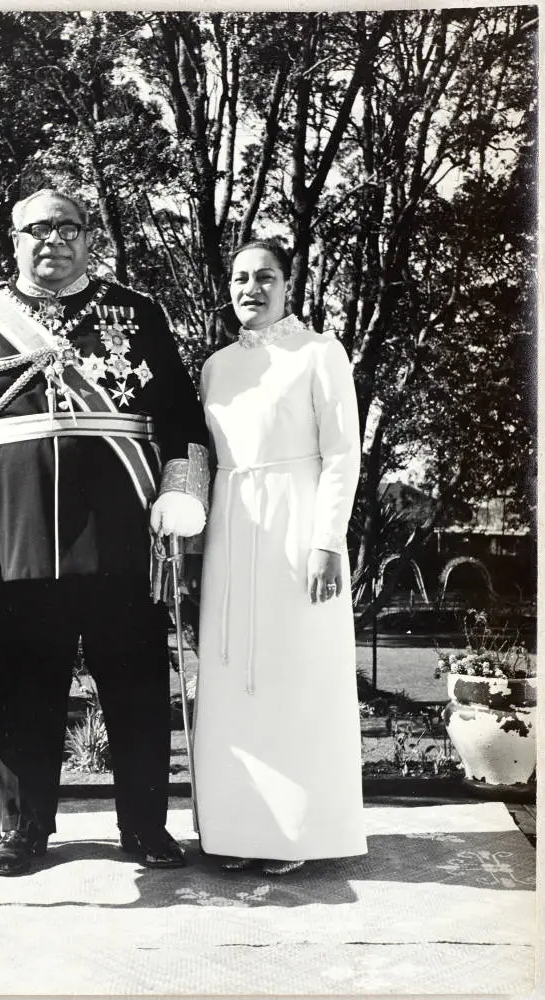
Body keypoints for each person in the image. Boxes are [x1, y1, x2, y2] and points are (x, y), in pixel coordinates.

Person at [0, 188, 209, 876]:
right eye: (37, 229)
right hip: (13, 543)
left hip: (120, 538)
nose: (53, 240)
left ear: (88, 238)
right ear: (13, 240)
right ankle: (25, 830)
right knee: (25, 692)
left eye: (68, 227)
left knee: (137, 690)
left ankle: (144, 827)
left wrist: (181, 497)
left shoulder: (136, 314)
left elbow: (182, 425)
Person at [191, 236, 367, 874]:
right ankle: (236, 832)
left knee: (293, 679)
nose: (251, 289)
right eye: (240, 277)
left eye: (265, 277)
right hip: (232, 535)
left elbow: (343, 455)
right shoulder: (215, 367)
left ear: (289, 284)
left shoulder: (320, 354)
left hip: (296, 533)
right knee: (234, 676)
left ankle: (293, 836)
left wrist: (326, 541)